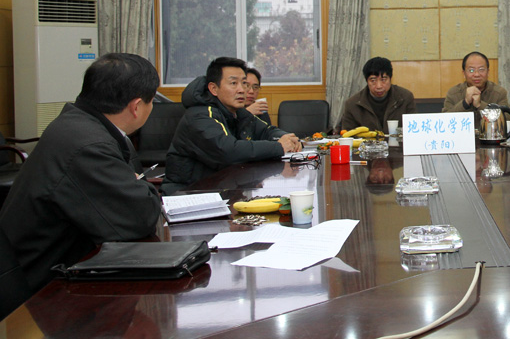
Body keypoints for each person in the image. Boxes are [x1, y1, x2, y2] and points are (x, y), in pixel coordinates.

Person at [0, 53, 162, 292]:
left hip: (48, 265)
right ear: (136, 107)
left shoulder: (78, 124)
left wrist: (136, 183)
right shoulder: (89, 145)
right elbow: (140, 216)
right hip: (38, 287)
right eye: (151, 102)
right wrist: (142, 186)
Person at [163, 57, 302, 194]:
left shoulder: (237, 112)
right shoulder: (199, 115)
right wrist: (279, 146)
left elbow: (266, 130)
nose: (242, 90)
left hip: (221, 190)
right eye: (233, 83)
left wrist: (288, 139)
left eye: (244, 83)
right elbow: (229, 151)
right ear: (213, 88)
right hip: (188, 194)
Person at [339, 57, 416, 133]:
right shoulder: (352, 104)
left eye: (383, 80)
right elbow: (347, 135)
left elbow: (413, 130)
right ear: (367, 81)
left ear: (390, 78)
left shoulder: (405, 98)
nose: (379, 86)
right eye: (373, 80)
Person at [443, 52, 509, 122]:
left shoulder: (499, 93)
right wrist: (465, 103)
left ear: (488, 72)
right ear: (464, 73)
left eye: (481, 69)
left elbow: (507, 118)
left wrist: (480, 105)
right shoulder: (453, 93)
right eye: (471, 70)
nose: (477, 74)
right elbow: (444, 120)